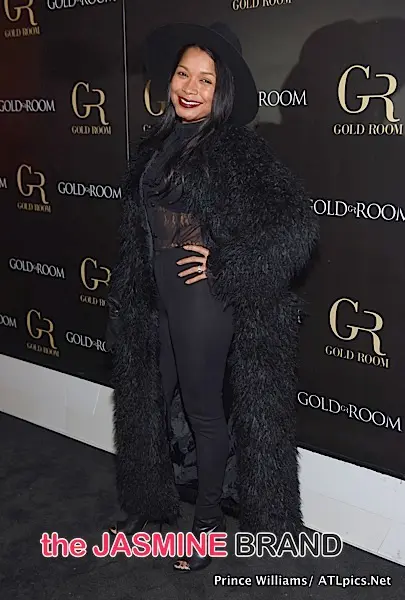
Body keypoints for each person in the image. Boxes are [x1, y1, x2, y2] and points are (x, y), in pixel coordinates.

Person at [105, 22, 319, 573]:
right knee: (149, 402)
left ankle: (206, 527)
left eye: (206, 79)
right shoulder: (157, 143)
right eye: (183, 74)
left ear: (222, 91)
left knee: (203, 412)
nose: (190, 88)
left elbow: (296, 226)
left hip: (202, 298)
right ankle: (151, 506)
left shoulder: (235, 147)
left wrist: (225, 262)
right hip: (154, 295)